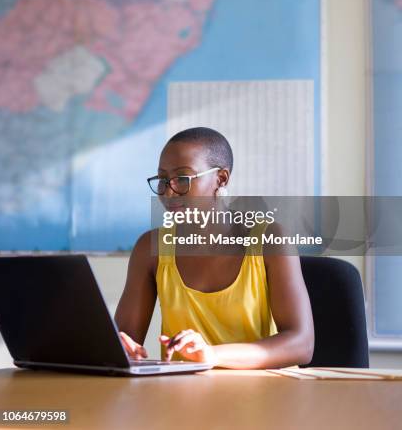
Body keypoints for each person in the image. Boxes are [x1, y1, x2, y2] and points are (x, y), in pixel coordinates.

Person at [115, 127, 314, 369]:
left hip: (262, 396)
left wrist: (213, 355)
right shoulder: (150, 248)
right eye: (163, 180)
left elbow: (302, 345)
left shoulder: (270, 239)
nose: (168, 192)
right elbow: (123, 342)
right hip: (182, 397)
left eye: (182, 179)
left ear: (220, 179)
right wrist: (122, 347)